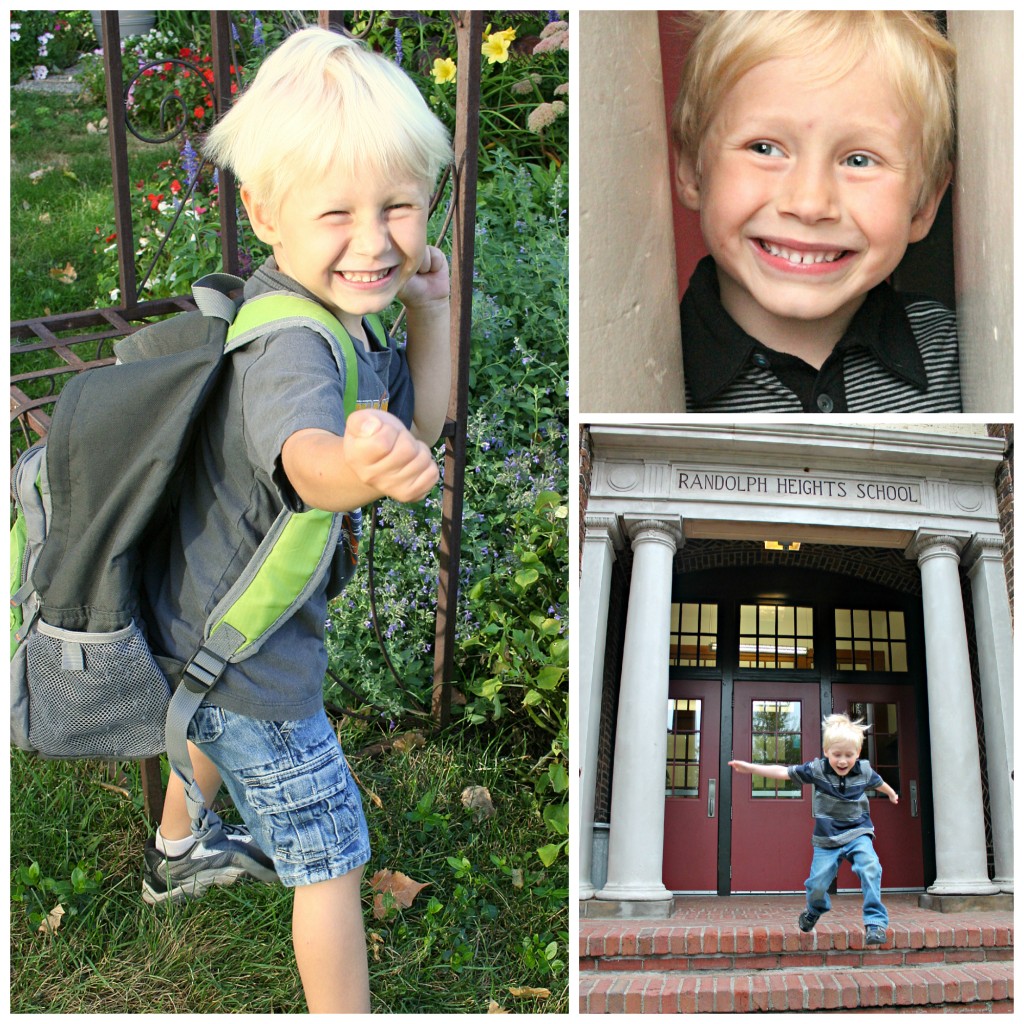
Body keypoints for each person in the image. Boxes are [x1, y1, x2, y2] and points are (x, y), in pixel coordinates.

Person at [138, 27, 453, 1013]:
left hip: (212, 634)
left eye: (398, 205)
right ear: (267, 212)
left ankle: (177, 849)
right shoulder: (290, 348)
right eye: (338, 213)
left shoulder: (339, 313)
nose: (375, 240)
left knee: (204, 715)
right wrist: (355, 466)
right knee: (332, 856)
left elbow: (423, 425)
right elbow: (307, 464)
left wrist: (433, 318)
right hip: (257, 662)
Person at [671, 11, 961, 413]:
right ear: (691, 169)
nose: (809, 204)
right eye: (764, 148)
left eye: (859, 160)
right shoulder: (648, 373)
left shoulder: (963, 357)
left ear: (925, 203)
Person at [729, 713, 899, 946]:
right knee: (817, 885)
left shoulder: (864, 771)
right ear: (826, 751)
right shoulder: (817, 770)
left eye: (848, 755)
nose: (842, 761)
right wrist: (752, 769)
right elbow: (783, 772)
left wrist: (891, 793)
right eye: (836, 755)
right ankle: (814, 909)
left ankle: (875, 923)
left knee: (870, 867)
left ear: (857, 754)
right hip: (826, 839)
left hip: (858, 832)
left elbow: (879, 783)